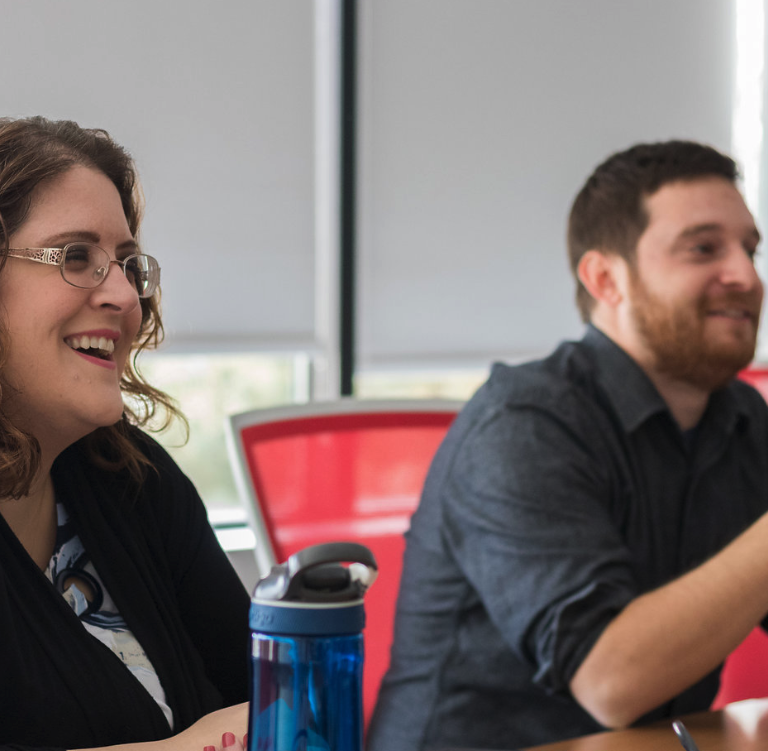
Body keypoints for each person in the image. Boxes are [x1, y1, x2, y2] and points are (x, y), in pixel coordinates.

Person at [367, 139, 768, 750]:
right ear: (606, 278)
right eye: (703, 248)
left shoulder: (740, 419)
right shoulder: (523, 422)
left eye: (750, 248)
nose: (744, 274)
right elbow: (612, 681)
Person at [0, 117, 251, 751]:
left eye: (127, 264)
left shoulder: (131, 475)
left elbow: (266, 693)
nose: (123, 296)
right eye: (75, 257)